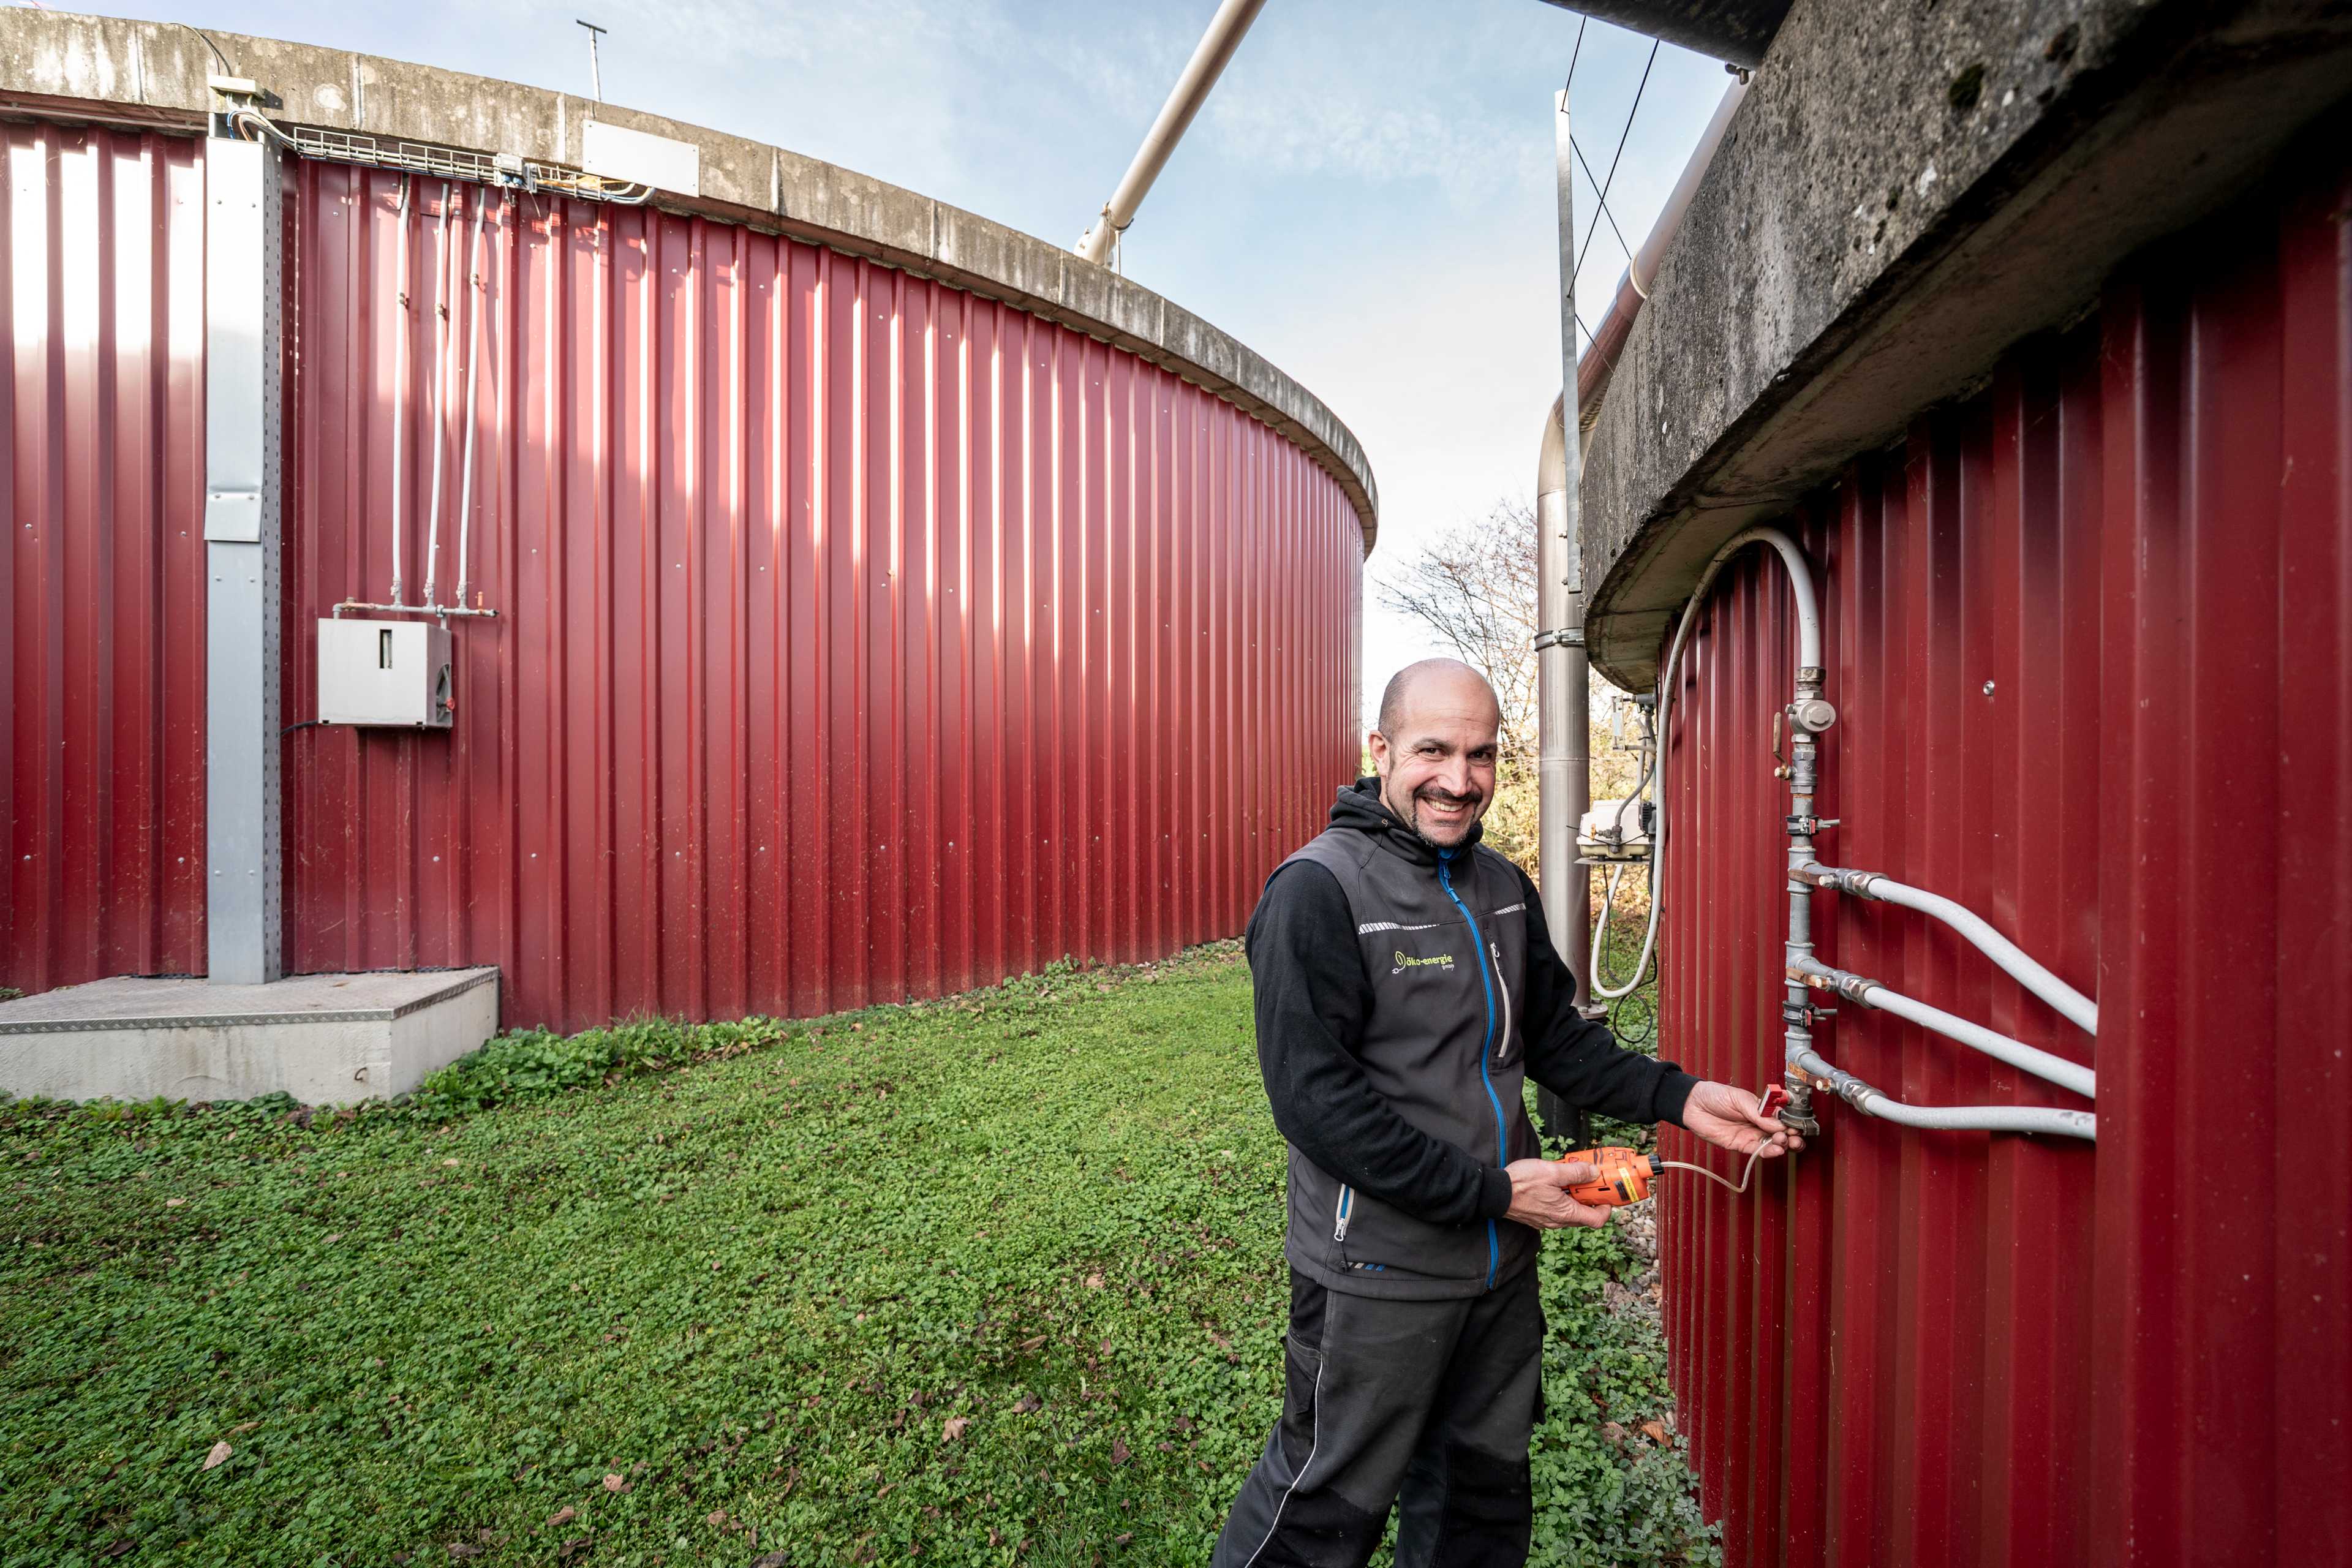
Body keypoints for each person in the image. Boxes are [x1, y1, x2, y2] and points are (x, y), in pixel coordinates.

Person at [1212, 658, 1798, 1567]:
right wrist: (1493, 1192)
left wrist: (1683, 1098)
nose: (1459, 780)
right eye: (1433, 751)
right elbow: (1316, 1106)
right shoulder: (1318, 892)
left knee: (1480, 1505)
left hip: (1497, 1273)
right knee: (1322, 1511)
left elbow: (1554, 1041)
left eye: (1480, 755)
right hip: (1378, 1275)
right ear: (1380, 750)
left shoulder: (1499, 886)